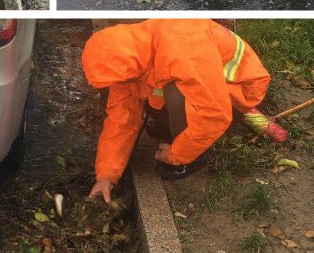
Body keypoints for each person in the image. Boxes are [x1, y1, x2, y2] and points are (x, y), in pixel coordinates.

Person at [82, 19, 271, 203]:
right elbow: (121, 120)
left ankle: (191, 158)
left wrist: (176, 154)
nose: (119, 85)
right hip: (207, 86)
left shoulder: (184, 49)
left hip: (239, 88)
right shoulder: (129, 58)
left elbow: (214, 115)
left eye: (120, 81)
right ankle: (181, 136)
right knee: (163, 94)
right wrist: (106, 176)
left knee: (176, 92)